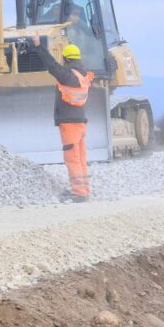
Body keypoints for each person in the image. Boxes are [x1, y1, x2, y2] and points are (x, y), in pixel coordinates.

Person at [32, 34, 94, 202]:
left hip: (69, 124)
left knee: (72, 158)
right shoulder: (84, 76)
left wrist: (38, 46)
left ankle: (79, 193)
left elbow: (51, 65)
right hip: (81, 123)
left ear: (66, 58)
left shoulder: (68, 76)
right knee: (80, 158)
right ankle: (83, 190)